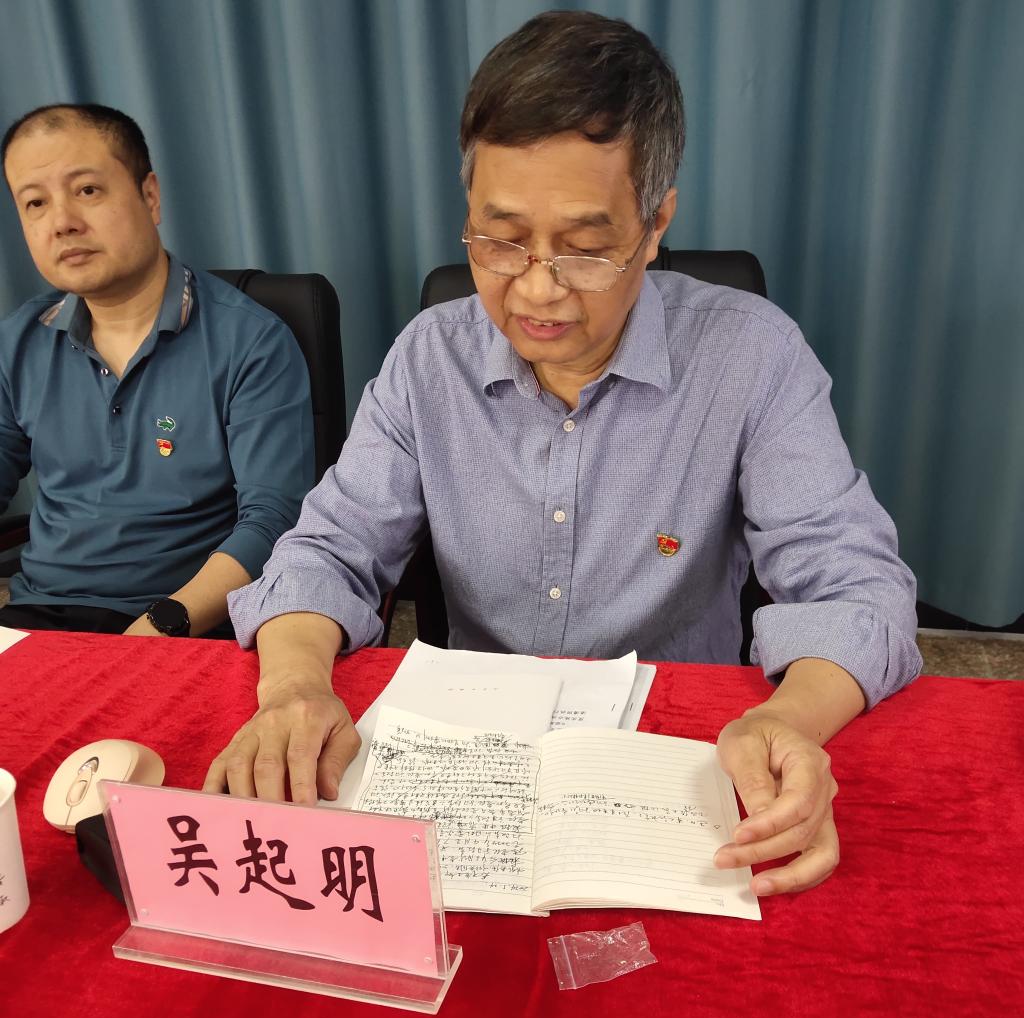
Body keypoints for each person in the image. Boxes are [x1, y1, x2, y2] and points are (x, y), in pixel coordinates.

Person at [208, 11, 922, 899]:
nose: (538, 290)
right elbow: (328, 550)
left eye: (586, 250)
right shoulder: (429, 358)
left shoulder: (752, 355)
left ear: (654, 226)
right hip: (472, 763)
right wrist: (295, 687)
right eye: (500, 240)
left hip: (673, 760)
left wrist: (790, 719)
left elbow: (856, 587)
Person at [0, 103, 313, 637]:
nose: (62, 222)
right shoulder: (19, 341)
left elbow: (273, 519)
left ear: (150, 196)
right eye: (35, 202)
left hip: (185, 624)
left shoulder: (250, 340)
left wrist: (161, 625)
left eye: (87, 190)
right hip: (41, 618)